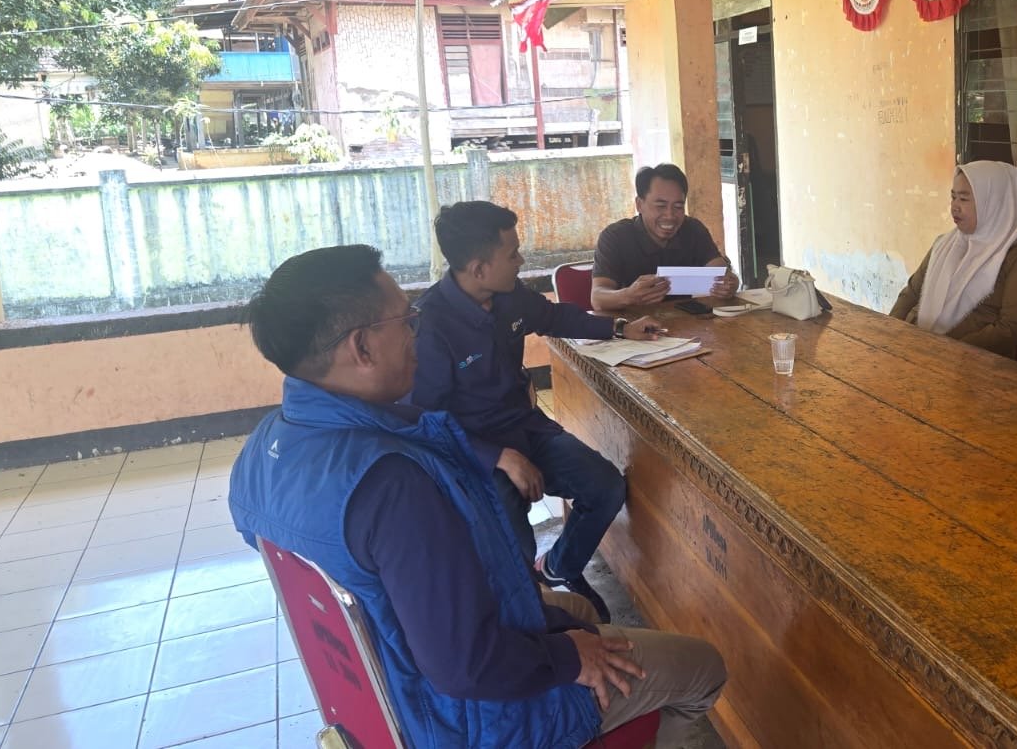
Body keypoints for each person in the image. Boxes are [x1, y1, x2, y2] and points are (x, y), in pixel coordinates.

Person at [229, 245, 726, 747]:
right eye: (405, 320)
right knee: (703, 667)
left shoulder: (261, 449)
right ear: (362, 348)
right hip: (472, 718)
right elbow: (465, 665)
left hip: (392, 688)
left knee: (577, 610)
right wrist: (569, 657)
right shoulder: (393, 483)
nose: (416, 332)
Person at [412, 201, 662, 623]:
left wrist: (619, 328)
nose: (521, 261)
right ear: (479, 269)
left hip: (525, 427)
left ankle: (559, 568)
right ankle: (537, 616)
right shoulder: (430, 326)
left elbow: (553, 316)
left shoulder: (508, 296)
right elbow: (425, 420)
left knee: (604, 487)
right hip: (475, 454)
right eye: (512, 254)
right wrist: (499, 457)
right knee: (514, 541)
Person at [889, 160, 1017, 362]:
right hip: (913, 349)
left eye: (964, 199)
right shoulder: (945, 245)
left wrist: (943, 353)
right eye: (953, 197)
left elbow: (1007, 331)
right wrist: (891, 333)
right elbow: (911, 293)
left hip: (971, 366)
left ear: (993, 203)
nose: (954, 207)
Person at [592, 164, 738, 311]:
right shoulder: (615, 237)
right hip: (631, 322)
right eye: (661, 206)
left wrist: (730, 284)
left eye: (678, 207)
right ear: (639, 205)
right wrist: (628, 296)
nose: (670, 216)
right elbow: (597, 298)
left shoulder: (692, 229)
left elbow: (720, 270)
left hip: (684, 320)